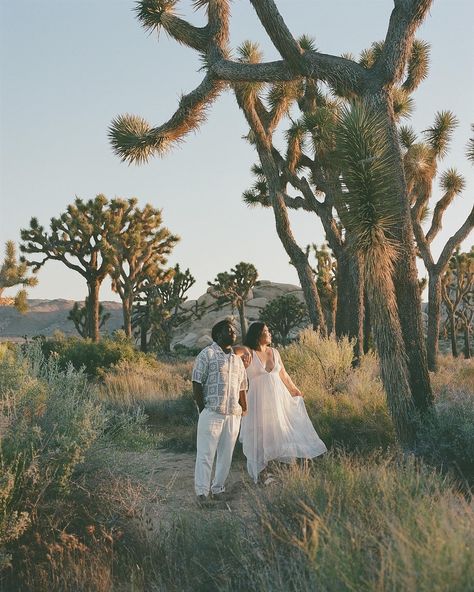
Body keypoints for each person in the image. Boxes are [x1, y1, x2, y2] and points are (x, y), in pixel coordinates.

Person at [238, 322, 327, 483]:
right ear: (258, 334)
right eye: (266, 331)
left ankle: (275, 468)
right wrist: (242, 353)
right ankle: (262, 473)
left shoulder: (275, 352)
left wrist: (295, 390)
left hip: (277, 400)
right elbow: (231, 352)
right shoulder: (248, 352)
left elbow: (283, 374)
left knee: (277, 432)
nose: (270, 333)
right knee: (258, 434)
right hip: (257, 400)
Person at [192, 319, 248, 502]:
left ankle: (218, 489)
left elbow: (242, 386)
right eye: (228, 330)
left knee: (226, 456)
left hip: (233, 414)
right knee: (206, 454)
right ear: (217, 335)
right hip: (212, 412)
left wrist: (244, 407)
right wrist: (202, 408)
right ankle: (202, 492)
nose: (233, 333)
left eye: (234, 331)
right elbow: (197, 381)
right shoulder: (206, 354)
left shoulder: (237, 361)